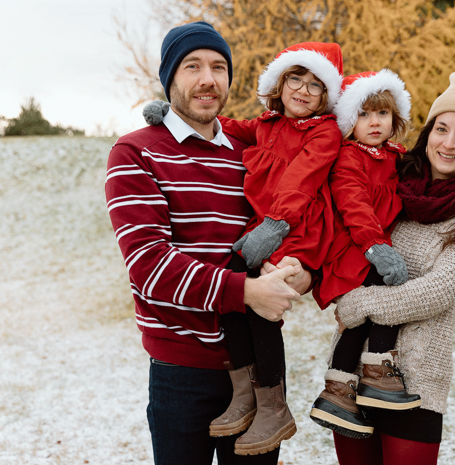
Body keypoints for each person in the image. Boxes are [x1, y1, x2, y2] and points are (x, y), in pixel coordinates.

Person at [105, 21, 311, 465]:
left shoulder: (249, 151)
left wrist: (299, 273)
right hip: (182, 376)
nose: (208, 79)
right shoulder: (136, 152)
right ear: (170, 78)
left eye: (219, 67)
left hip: (260, 370)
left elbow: (293, 222)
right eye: (192, 66)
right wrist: (246, 292)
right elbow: (149, 265)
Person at [142, 42, 344, 455]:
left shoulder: (324, 132)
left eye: (315, 86)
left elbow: (302, 179)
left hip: (295, 227)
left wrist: (280, 234)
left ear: (328, 97)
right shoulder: (266, 126)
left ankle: (273, 402)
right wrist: (167, 116)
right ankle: (246, 393)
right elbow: (230, 125)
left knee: (258, 301)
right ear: (279, 81)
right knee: (240, 287)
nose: (303, 91)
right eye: (295, 78)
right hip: (182, 364)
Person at [330, 70, 455, 465]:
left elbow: (437, 292)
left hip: (416, 381)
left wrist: (354, 303)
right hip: (349, 374)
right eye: (441, 128)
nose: (448, 142)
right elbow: (342, 234)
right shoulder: (394, 177)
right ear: (427, 133)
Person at [308, 70, 421, 440]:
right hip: (353, 251)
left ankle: (337, 391)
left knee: (358, 324)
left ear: (395, 119)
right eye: (364, 114)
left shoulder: (394, 157)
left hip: (369, 250)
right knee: (386, 295)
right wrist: (378, 249)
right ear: (348, 121)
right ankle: (377, 371)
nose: (375, 122)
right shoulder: (348, 159)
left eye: (383, 114)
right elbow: (355, 207)